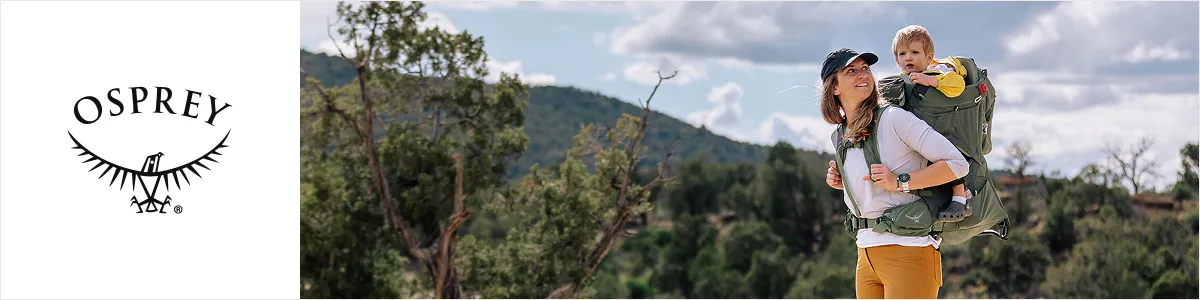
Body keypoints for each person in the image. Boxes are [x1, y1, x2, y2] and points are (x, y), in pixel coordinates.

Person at [819, 48, 968, 299]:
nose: (862, 75)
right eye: (851, 71)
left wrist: (900, 183)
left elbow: (957, 163)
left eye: (865, 68)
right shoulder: (840, 135)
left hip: (909, 251)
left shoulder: (894, 119)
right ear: (834, 88)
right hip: (866, 255)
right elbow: (875, 192)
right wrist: (845, 185)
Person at [890, 24, 973, 222]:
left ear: (928, 57)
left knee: (946, 157)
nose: (908, 57)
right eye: (902, 54)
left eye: (914, 52)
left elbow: (957, 86)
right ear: (896, 59)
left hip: (943, 130)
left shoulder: (936, 73)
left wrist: (932, 82)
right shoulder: (901, 81)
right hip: (918, 134)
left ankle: (961, 195)